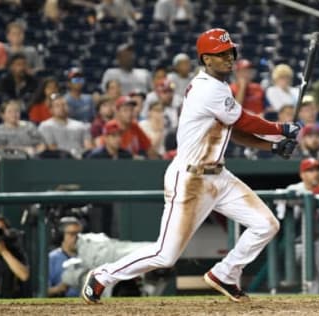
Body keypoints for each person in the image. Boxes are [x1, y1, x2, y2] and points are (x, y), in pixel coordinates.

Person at [81, 28, 300, 304]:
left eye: (230, 52)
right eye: (221, 54)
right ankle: (103, 275)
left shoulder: (219, 88)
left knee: (266, 224)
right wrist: (280, 128)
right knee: (165, 254)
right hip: (191, 179)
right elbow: (245, 121)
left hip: (219, 176)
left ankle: (226, 273)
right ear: (206, 59)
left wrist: (273, 145)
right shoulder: (207, 88)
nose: (228, 58)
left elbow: (233, 128)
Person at [285, 158, 319, 294]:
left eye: (317, 170)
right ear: (302, 174)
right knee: (317, 270)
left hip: (315, 244)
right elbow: (308, 203)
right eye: (310, 170)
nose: (315, 173)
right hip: (294, 244)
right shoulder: (294, 189)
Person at [38, 93, 93, 158]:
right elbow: (51, 148)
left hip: (81, 159)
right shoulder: (45, 126)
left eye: (64, 105)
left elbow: (88, 146)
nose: (62, 108)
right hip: (59, 160)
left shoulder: (80, 125)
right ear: (51, 110)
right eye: (57, 106)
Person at [48, 217, 83, 297]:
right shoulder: (52, 258)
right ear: (61, 236)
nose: (77, 238)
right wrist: (59, 288)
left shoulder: (88, 256)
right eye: (72, 234)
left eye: (79, 234)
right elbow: (42, 291)